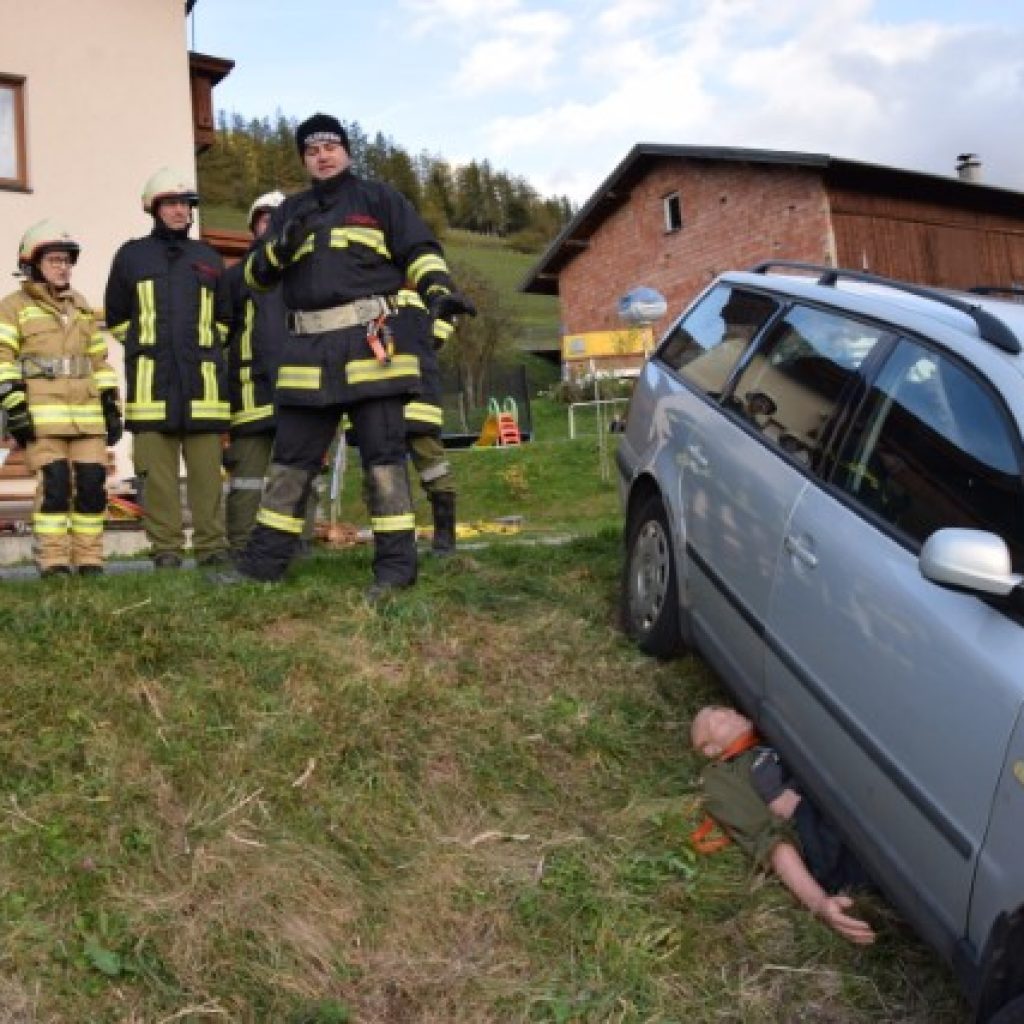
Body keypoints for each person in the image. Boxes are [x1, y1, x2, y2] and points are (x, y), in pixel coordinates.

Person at [211, 113, 474, 599]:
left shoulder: (381, 199)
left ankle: (395, 572)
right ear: (303, 159)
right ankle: (263, 567)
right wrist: (278, 249)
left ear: (346, 151)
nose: (323, 156)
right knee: (290, 463)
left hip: (371, 348)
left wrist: (439, 290)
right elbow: (251, 279)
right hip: (308, 352)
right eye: (312, 151)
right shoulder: (290, 211)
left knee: (384, 462)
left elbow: (420, 249)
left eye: (330, 146)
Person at [104, 167, 231, 570]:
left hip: (203, 389)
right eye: (172, 204)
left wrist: (205, 350)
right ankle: (167, 550)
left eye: (186, 204)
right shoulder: (131, 256)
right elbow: (118, 317)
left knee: (208, 476)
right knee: (156, 479)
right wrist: (146, 348)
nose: (180, 211)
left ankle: (211, 547)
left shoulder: (208, 257)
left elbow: (224, 320)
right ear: (153, 208)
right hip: (151, 387)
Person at [691, 705, 876, 945]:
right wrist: (819, 903)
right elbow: (770, 841)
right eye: (718, 721)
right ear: (711, 749)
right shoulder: (722, 776)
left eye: (725, 710)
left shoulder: (772, 731)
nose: (729, 713)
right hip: (825, 836)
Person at [0, 221, 122, 577]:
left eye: (67, 260)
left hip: (87, 418)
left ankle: (89, 562)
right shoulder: (13, 307)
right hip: (42, 417)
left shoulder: (81, 307)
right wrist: (15, 407)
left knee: (91, 489)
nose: (63, 266)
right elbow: (2, 359)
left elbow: (99, 361)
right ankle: (53, 563)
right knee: (54, 488)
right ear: (32, 264)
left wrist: (110, 406)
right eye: (54, 259)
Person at [223, 190, 318, 554]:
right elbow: (222, 339)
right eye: (264, 218)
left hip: (300, 392)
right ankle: (242, 548)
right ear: (252, 227)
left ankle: (299, 545)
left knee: (298, 474)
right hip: (250, 394)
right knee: (248, 479)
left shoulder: (309, 275)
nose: (270, 225)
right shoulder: (235, 279)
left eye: (277, 218)